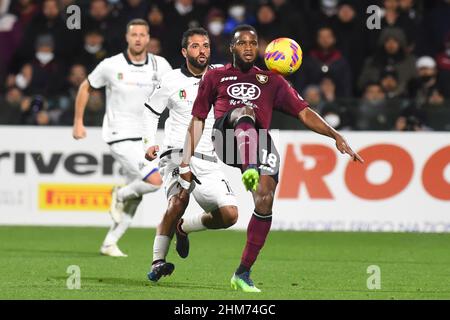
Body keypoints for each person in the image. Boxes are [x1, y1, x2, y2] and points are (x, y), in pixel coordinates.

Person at [178, 25, 363, 292]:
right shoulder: (215, 76)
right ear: (232, 47)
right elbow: (197, 120)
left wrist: (335, 135)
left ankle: (242, 273)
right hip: (226, 137)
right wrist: (185, 160)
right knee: (244, 110)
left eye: (253, 43)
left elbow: (304, 112)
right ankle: (249, 167)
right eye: (242, 43)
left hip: (258, 140)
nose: (249, 48)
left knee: (265, 199)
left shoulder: (272, 81)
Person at [142, 27, 238, 282]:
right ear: (185, 51)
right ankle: (158, 260)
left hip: (208, 157)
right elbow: (151, 111)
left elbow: (247, 79)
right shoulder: (171, 80)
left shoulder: (220, 76)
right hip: (176, 152)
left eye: (205, 45)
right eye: (195, 46)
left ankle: (184, 227)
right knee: (179, 198)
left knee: (229, 215)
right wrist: (149, 142)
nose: (202, 50)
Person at [72, 19, 172, 257]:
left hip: (146, 138)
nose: (138, 38)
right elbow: (86, 87)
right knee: (154, 181)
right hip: (119, 135)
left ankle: (109, 242)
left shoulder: (161, 66)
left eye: (142, 34)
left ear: (148, 39)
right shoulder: (110, 65)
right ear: (127, 38)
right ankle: (119, 194)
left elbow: (175, 91)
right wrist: (78, 121)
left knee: (137, 195)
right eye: (134, 34)